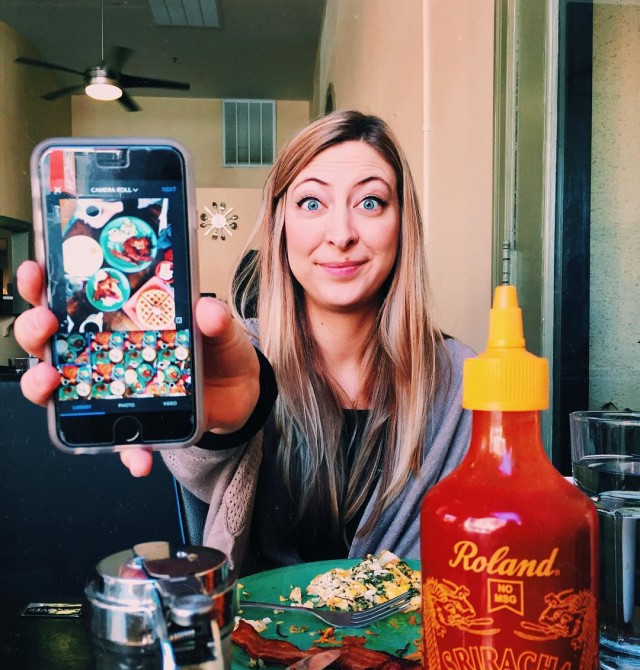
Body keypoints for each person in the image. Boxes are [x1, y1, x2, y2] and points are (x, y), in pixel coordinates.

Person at [15, 110, 473, 576]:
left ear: (403, 223)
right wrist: (218, 423)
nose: (341, 235)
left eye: (370, 202)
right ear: (280, 223)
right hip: (248, 623)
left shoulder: (462, 378)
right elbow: (200, 459)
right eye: (311, 203)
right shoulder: (233, 354)